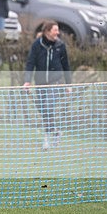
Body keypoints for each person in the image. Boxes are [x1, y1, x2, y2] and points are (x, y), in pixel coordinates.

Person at [23, 20, 72, 150]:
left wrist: (68, 84)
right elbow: (30, 63)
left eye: (57, 30)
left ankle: (46, 138)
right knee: (43, 109)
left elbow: (66, 65)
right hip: (39, 83)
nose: (58, 32)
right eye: (55, 30)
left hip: (55, 83)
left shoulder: (60, 46)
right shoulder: (36, 45)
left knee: (48, 107)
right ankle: (55, 131)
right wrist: (27, 81)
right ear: (47, 32)